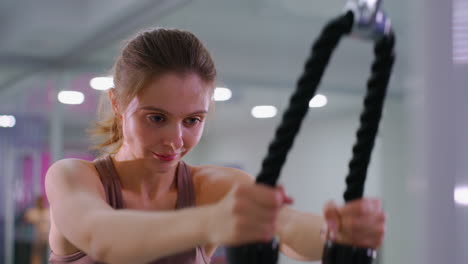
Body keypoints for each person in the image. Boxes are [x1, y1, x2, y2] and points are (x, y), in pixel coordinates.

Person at [45, 28, 385, 264]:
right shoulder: (73, 177)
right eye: (156, 118)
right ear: (118, 104)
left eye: (192, 120)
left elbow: (289, 229)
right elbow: (104, 238)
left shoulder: (214, 187)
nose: (175, 140)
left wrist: (338, 233)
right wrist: (213, 221)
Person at [24, 196, 50, 264]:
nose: (40, 203)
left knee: (48, 255)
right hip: (37, 239)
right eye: (39, 202)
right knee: (36, 255)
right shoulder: (33, 212)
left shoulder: (47, 212)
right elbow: (26, 218)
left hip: (47, 239)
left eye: (41, 202)